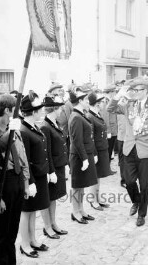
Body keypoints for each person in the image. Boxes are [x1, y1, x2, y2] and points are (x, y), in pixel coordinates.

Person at [107, 77, 148, 227]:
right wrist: (119, 95)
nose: (136, 93)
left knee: (144, 184)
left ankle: (142, 214)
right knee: (128, 181)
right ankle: (136, 200)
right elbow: (110, 109)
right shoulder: (129, 104)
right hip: (129, 148)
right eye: (135, 90)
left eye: (139, 90)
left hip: (145, 151)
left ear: (146, 91)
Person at [0, 94, 30, 264]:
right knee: (1, 234)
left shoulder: (11, 126)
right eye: (14, 111)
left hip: (15, 180)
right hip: (3, 183)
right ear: (8, 110)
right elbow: (2, 144)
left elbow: (21, 155)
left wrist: (24, 182)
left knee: (12, 232)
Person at [19, 92, 50, 257]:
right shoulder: (24, 130)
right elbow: (25, 160)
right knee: (26, 212)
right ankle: (24, 244)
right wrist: (29, 182)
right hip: (30, 178)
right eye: (40, 109)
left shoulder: (34, 126)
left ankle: (33, 239)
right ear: (34, 111)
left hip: (39, 175)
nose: (43, 111)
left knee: (33, 210)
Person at [39, 96, 68, 238]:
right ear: (54, 109)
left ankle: (53, 223)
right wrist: (51, 171)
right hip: (52, 168)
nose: (62, 110)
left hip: (58, 166)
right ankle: (47, 227)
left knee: (54, 197)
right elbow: (47, 152)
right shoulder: (45, 126)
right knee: (47, 197)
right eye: (60, 107)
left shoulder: (54, 123)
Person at [68, 87, 98, 224]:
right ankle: (75, 211)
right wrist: (85, 158)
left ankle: (81, 209)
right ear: (80, 101)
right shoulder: (75, 117)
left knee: (82, 185)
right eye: (86, 100)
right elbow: (76, 140)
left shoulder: (80, 115)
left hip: (84, 154)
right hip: (79, 156)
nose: (88, 102)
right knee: (77, 185)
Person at [87, 92, 111, 211]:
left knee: (99, 176)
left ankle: (97, 197)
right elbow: (90, 138)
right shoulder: (90, 116)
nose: (104, 104)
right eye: (102, 102)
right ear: (97, 103)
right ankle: (93, 200)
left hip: (102, 149)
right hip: (96, 150)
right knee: (94, 176)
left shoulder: (97, 114)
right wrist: (94, 154)